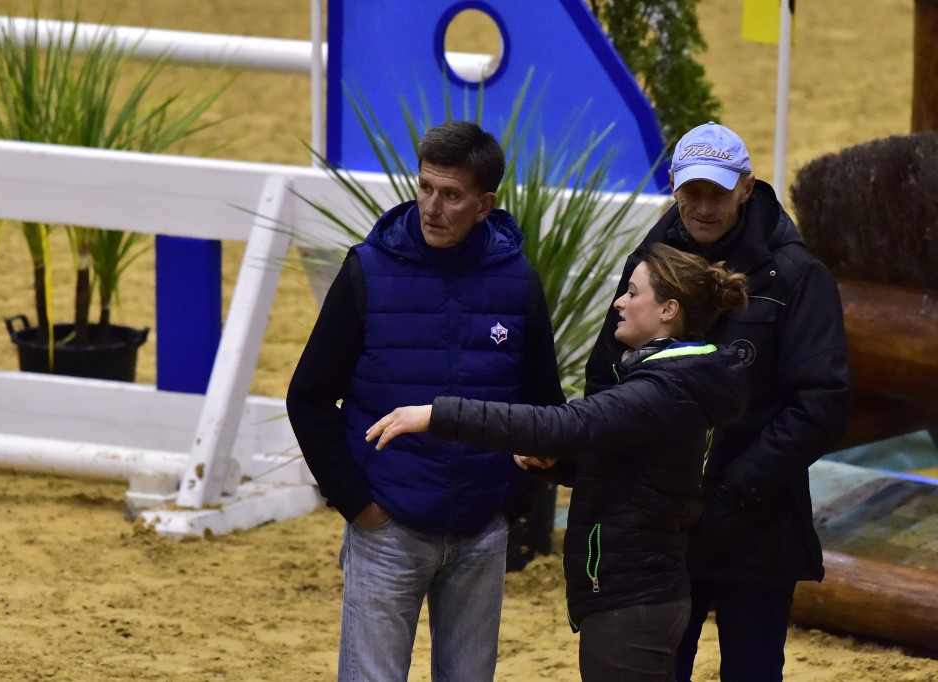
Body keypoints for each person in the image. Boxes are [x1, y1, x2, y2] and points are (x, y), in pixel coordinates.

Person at [367, 242, 751, 682]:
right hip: (637, 590)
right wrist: (556, 466)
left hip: (633, 596)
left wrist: (438, 414)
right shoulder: (675, 381)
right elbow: (632, 470)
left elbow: (564, 425)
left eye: (632, 292)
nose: (618, 303)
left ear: (668, 310)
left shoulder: (661, 390)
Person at [286, 120, 565, 681]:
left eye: (451, 195)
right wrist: (358, 504)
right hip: (386, 529)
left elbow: (543, 411)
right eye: (425, 188)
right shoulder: (366, 271)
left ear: (484, 205)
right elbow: (308, 397)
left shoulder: (518, 283)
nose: (432, 207)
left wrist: (509, 502)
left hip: (482, 530)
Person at [582, 122, 853, 682]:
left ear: (746, 188)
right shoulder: (647, 264)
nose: (703, 207)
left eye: (718, 193)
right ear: (674, 186)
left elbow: (820, 403)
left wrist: (732, 493)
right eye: (692, 193)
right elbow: (607, 374)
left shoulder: (798, 275)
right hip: (664, 528)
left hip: (759, 524)